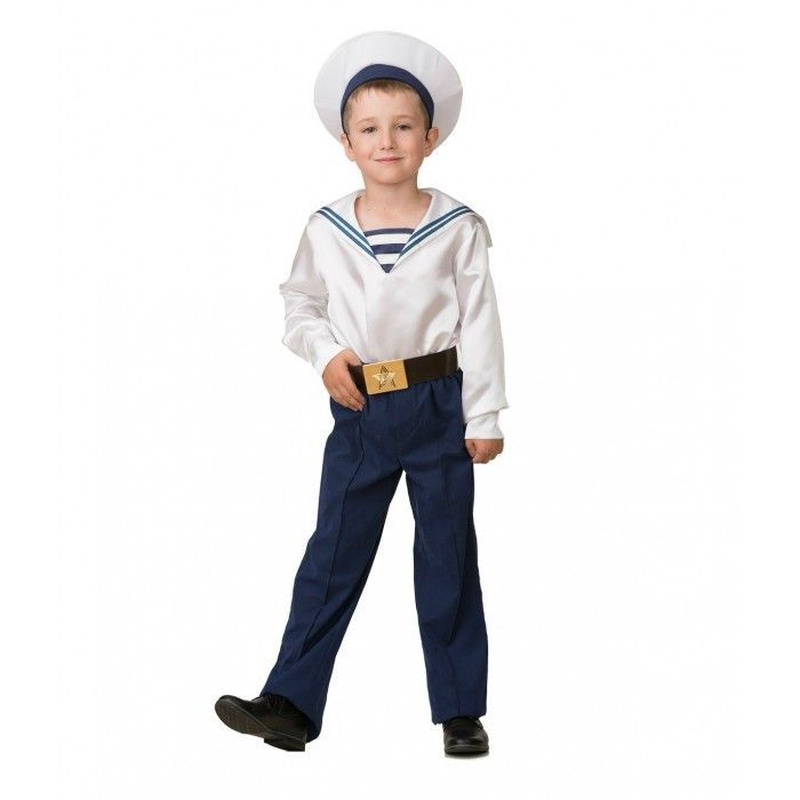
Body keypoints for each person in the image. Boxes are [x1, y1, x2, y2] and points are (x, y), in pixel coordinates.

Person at [214, 30, 508, 757]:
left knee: (447, 554)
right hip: (360, 407)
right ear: (346, 143)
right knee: (334, 552)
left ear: (430, 137)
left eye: (403, 127)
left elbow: (481, 322)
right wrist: (325, 356)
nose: (387, 141)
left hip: (439, 404)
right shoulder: (327, 228)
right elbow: (299, 303)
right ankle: (290, 702)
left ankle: (460, 711)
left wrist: (485, 414)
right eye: (369, 129)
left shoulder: (458, 226)